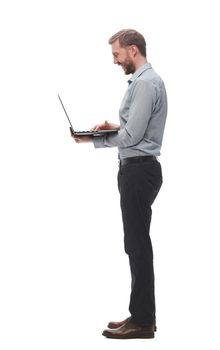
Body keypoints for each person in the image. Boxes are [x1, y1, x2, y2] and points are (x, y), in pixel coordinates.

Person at [72, 29, 167, 339]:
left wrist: (92, 139)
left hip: (138, 172)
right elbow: (133, 129)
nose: (115, 61)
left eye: (117, 54)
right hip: (138, 170)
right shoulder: (145, 82)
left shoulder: (145, 84)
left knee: (137, 246)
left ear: (133, 50)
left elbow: (132, 137)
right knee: (136, 244)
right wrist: (112, 127)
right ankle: (140, 315)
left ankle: (142, 321)